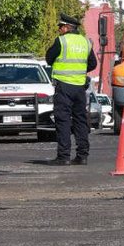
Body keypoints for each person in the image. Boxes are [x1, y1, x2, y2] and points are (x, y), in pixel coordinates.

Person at [45, 14, 97, 165]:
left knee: (63, 120)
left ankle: (63, 156)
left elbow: (49, 59)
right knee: (80, 120)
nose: (59, 30)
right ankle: (82, 156)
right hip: (80, 88)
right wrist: (79, 71)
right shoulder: (85, 42)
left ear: (67, 27)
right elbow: (93, 64)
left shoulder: (62, 41)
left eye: (61, 27)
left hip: (64, 86)